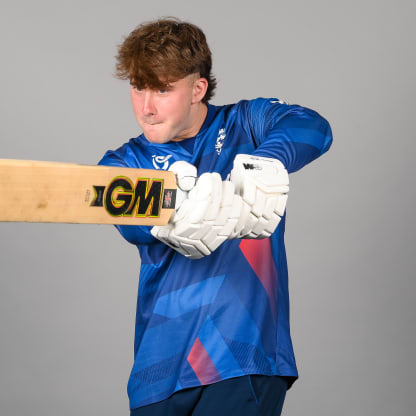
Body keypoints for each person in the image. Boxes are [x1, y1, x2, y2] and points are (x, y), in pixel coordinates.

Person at [99, 18, 332, 415]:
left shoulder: (247, 124)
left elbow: (313, 127)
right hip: (158, 371)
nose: (146, 107)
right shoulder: (125, 161)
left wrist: (264, 164)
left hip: (241, 356)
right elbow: (127, 219)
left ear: (197, 88)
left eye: (162, 89)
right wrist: (175, 210)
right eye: (138, 88)